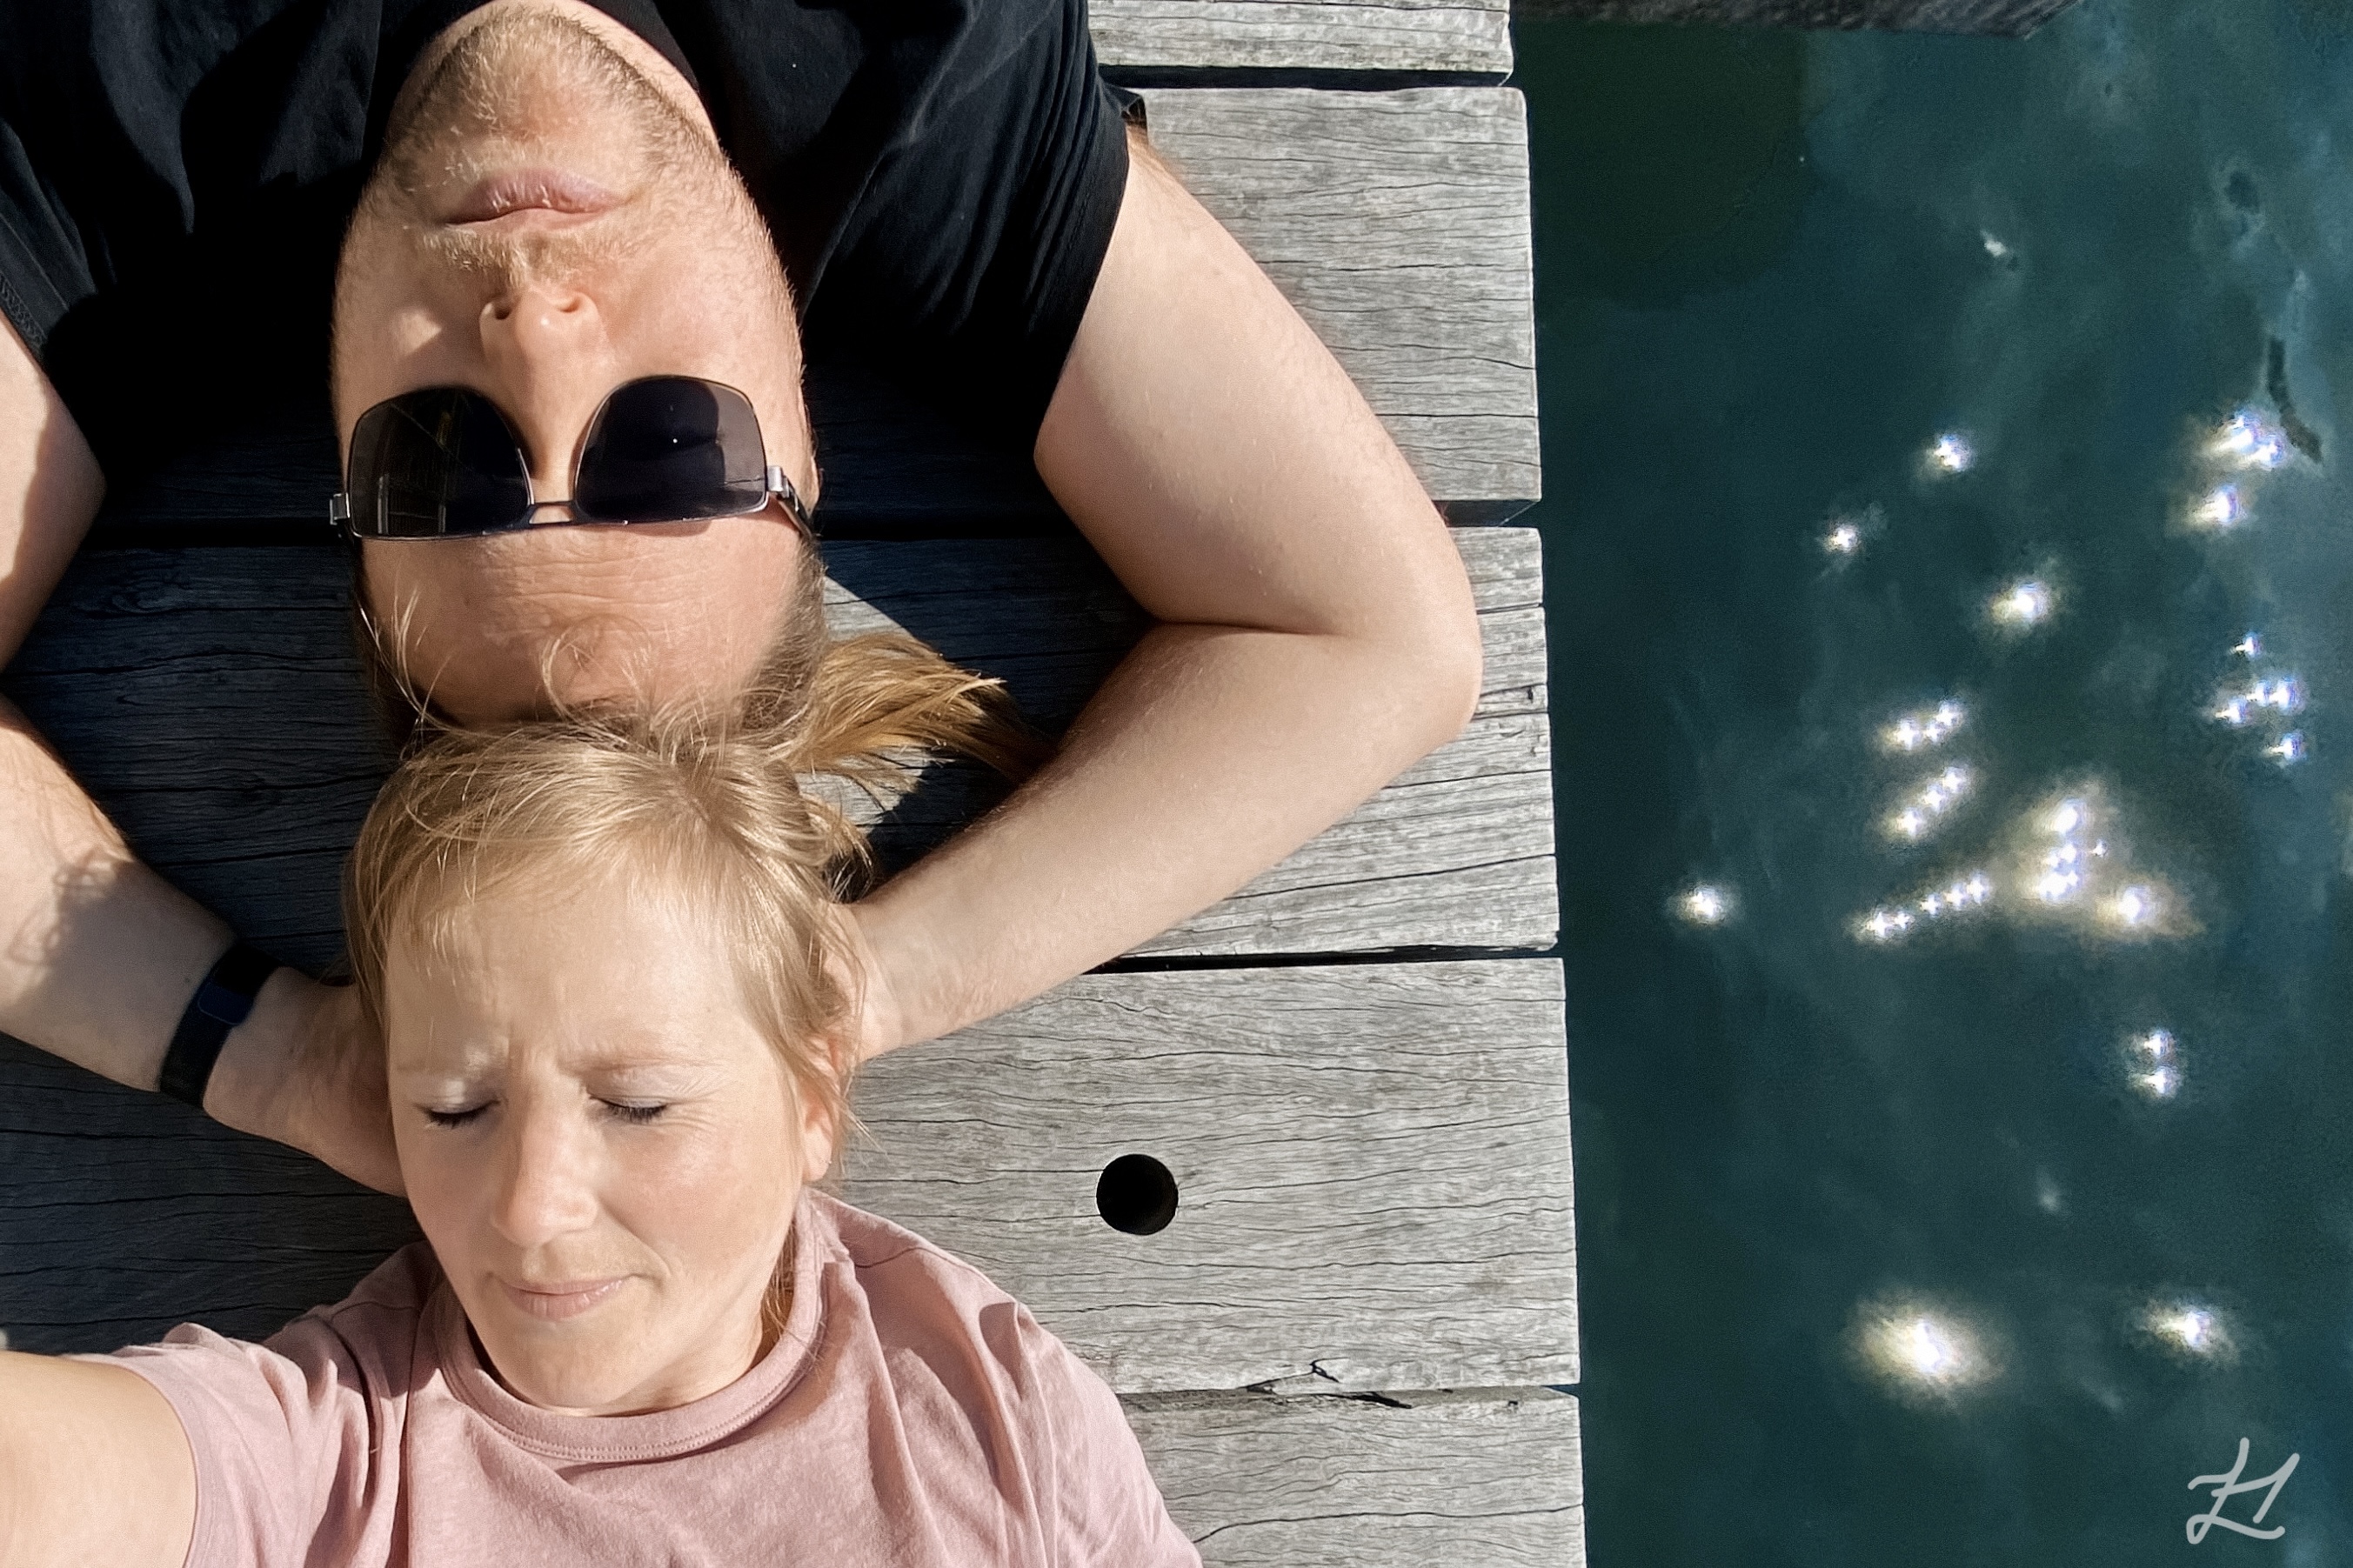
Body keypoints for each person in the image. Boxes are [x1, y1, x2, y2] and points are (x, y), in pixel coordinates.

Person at [0, 0, 1481, 1192]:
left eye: (441, 460)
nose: (540, 331)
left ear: (339, 461)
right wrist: (838, 991)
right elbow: (1370, 639)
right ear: (803, 442)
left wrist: (268, 1058)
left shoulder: (131, 164)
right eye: (672, 444)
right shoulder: (920, 105)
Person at [0, 632, 1204, 1568]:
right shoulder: (335, 1456)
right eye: (455, 1109)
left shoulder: (986, 1408)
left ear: (811, 1097)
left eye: (637, 1104)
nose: (526, 1208)